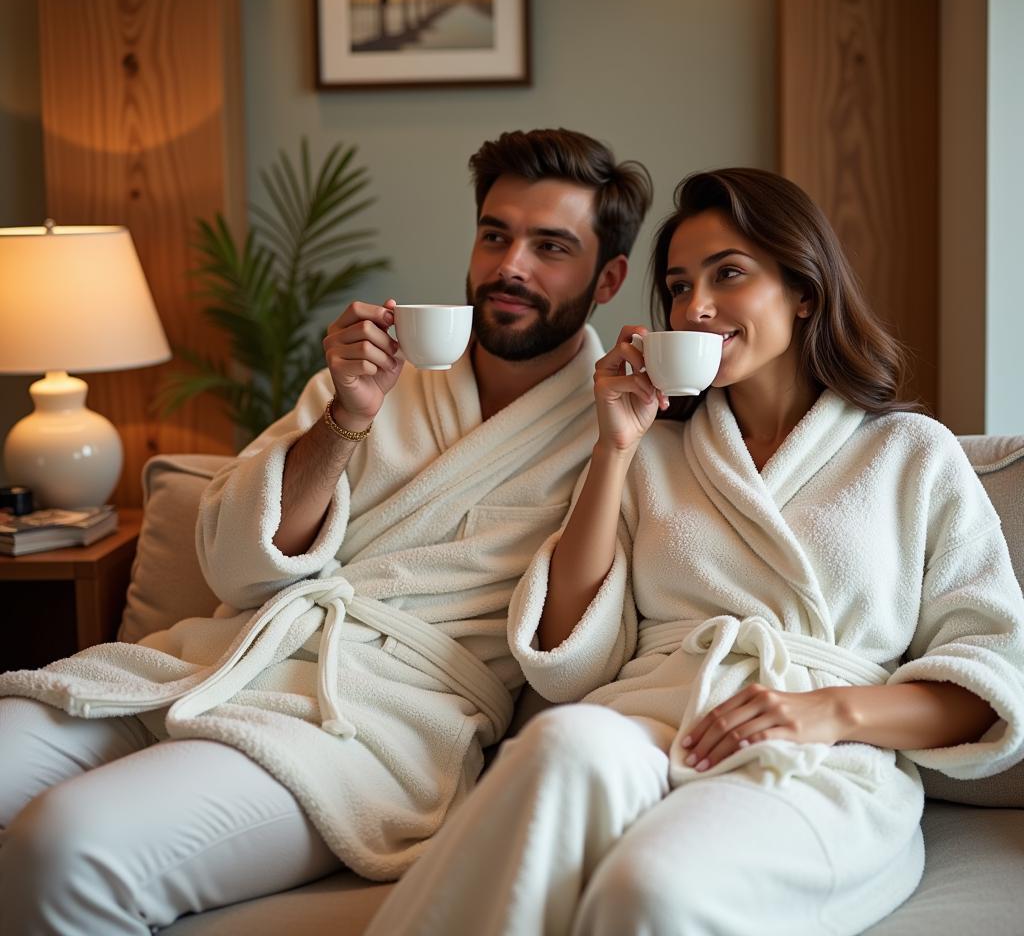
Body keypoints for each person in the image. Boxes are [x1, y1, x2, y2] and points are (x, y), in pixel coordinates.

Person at [0, 128, 653, 935]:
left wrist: (616, 448)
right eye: (495, 235)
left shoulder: (616, 428)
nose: (509, 266)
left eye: (550, 246)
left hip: (367, 727)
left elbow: (575, 664)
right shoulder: (373, 379)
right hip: (217, 661)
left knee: (68, 845)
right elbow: (237, 569)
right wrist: (347, 414)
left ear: (608, 276)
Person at [364, 168, 1024, 936]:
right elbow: (570, 657)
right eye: (679, 286)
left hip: (817, 760)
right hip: (651, 718)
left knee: (650, 894)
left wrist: (825, 711)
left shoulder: (912, 453)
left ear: (804, 288)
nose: (696, 307)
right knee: (562, 740)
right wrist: (613, 448)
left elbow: (990, 675)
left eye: (729, 275)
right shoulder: (654, 453)